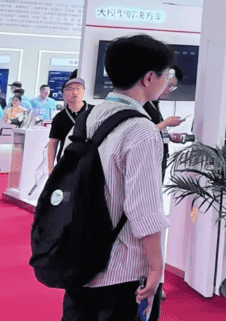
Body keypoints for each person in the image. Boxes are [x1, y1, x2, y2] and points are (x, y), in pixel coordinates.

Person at [62, 34, 172, 321]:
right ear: (149, 78)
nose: (166, 81)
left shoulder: (88, 117)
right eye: (165, 75)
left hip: (79, 259)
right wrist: (156, 267)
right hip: (123, 270)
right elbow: (144, 209)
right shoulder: (141, 129)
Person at [143, 65, 187, 175]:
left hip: (158, 161)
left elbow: (154, 129)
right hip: (147, 163)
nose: (168, 91)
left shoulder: (154, 103)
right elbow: (141, 132)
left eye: (173, 87)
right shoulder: (142, 104)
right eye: (169, 85)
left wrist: (168, 136)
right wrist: (166, 123)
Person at [47, 72, 94, 171]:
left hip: (91, 163)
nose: (75, 92)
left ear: (83, 92)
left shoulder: (95, 112)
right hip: (66, 163)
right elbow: (53, 143)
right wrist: (51, 168)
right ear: (64, 94)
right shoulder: (59, 117)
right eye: (70, 89)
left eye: (78, 89)